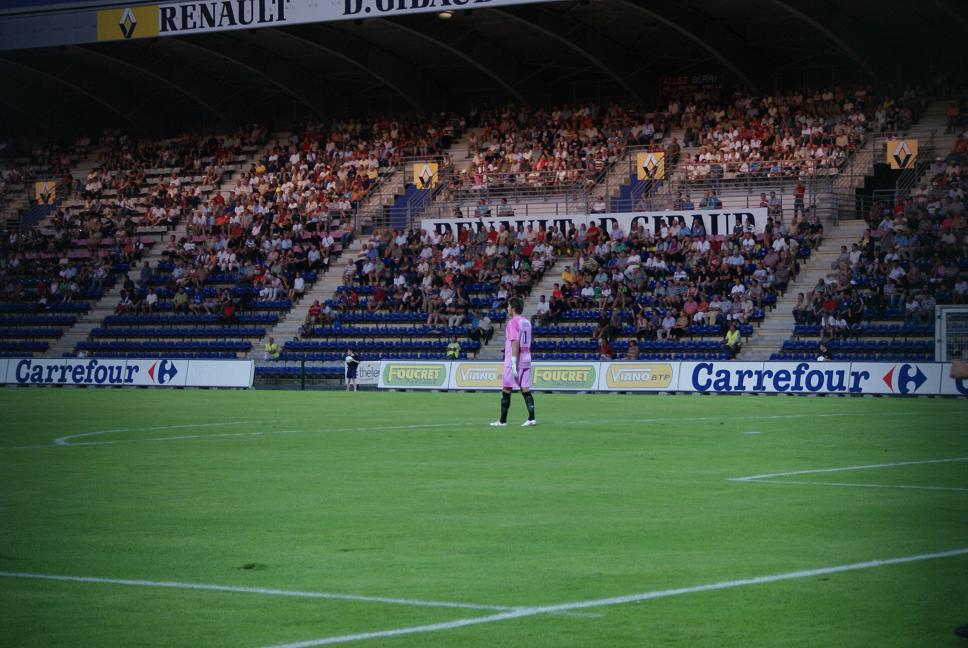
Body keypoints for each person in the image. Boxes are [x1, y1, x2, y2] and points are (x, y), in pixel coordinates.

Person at [491, 296, 536, 427]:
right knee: (525, 389)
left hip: (514, 360)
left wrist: (513, 360)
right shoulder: (527, 322)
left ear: (514, 308)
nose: (507, 308)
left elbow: (515, 342)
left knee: (506, 388)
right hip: (527, 357)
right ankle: (531, 418)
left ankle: (502, 421)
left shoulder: (512, 323)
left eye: (509, 306)